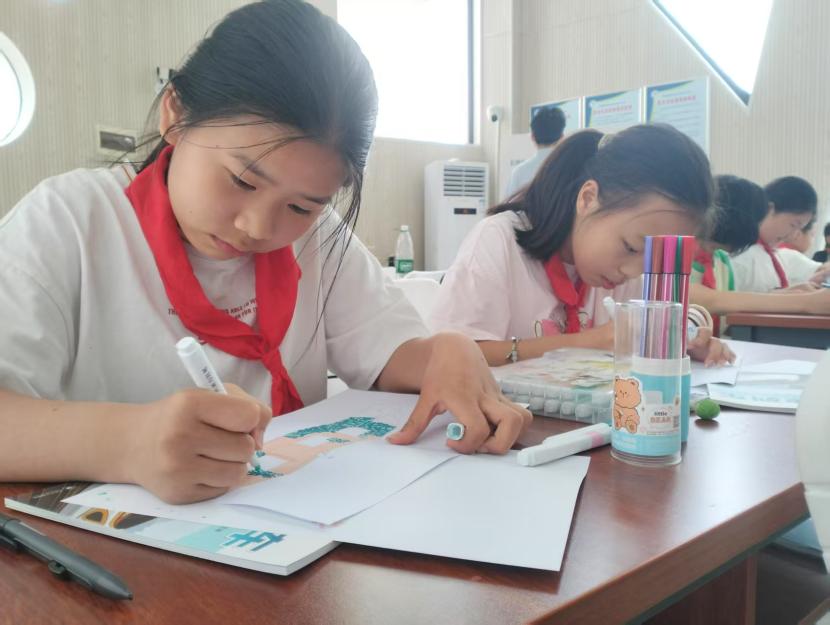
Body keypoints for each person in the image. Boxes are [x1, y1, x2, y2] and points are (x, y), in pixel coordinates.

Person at [0, 0, 530, 504]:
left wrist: (446, 352)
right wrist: (126, 442)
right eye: (241, 180)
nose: (257, 227)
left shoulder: (316, 240)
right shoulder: (71, 221)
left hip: (292, 533)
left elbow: (388, 352)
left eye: (301, 206)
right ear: (175, 114)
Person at [430, 124, 733, 367]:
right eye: (630, 247)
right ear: (588, 199)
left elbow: (666, 315)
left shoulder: (621, 270)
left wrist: (688, 337)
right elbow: (449, 357)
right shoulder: (500, 240)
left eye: (650, 259)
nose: (632, 271)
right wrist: (585, 342)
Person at [689, 175, 830, 335]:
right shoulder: (680, 254)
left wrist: (780, 295)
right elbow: (704, 299)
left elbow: (730, 302)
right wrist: (806, 302)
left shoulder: (721, 260)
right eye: (793, 225)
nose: (793, 235)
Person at [731, 176, 830, 292]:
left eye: (799, 229)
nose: (792, 236)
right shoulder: (738, 254)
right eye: (793, 225)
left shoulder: (780, 256)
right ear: (770, 209)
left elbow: (820, 269)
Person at [503, 106, 567, 199]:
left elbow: (508, 205)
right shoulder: (573, 171)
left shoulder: (519, 173)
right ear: (562, 137)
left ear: (532, 136)